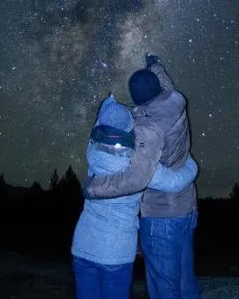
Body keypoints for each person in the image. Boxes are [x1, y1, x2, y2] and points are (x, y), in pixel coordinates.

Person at [84, 54, 199, 299]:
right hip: (186, 207)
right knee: (185, 281)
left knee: (164, 287)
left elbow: (137, 178)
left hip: (161, 216)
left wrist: (95, 188)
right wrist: (154, 65)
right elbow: (165, 82)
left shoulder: (148, 130)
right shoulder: (175, 98)